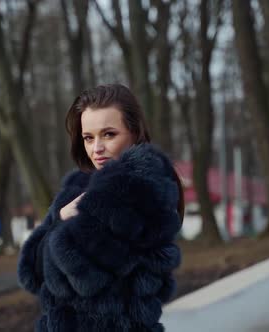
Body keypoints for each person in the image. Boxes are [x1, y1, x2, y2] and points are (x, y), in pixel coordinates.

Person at [17, 84, 184, 331]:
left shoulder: (140, 189)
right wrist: (61, 218)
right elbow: (31, 272)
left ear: (134, 132)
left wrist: (55, 225)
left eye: (108, 134)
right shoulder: (80, 188)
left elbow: (76, 276)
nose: (96, 148)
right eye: (88, 137)